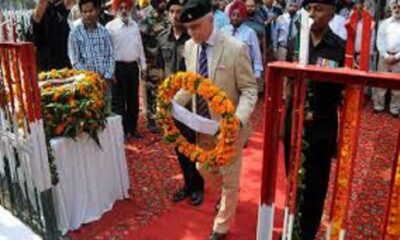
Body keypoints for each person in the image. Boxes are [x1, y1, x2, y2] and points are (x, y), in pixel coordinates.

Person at [176, 0, 258, 238]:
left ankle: (220, 226)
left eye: (196, 26)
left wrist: (237, 121)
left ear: (211, 20)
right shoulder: (191, 47)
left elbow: (249, 90)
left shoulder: (235, 48)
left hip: (228, 129)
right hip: (201, 125)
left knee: (230, 177)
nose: (191, 33)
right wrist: (169, 105)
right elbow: (191, 83)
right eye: (188, 27)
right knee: (203, 167)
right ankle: (225, 196)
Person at [299, 0, 345, 239]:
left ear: (331, 13)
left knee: (316, 186)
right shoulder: (298, 42)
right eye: (309, 9)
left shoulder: (339, 48)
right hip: (295, 124)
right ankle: (292, 227)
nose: (312, 14)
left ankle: (307, 233)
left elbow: (342, 93)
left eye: (318, 9)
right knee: (294, 181)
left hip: (322, 127)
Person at [157, 0, 205, 206]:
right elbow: (159, 70)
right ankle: (187, 185)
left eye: (179, 11)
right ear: (167, 14)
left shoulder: (193, 40)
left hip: (191, 103)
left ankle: (198, 187)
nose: (175, 15)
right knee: (179, 146)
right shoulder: (162, 39)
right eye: (172, 11)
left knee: (194, 146)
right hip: (171, 103)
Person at [106, 0, 146, 140]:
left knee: (133, 99)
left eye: (126, 7)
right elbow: (108, 51)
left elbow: (139, 47)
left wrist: (144, 66)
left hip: (133, 66)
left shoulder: (135, 25)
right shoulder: (110, 27)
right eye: (120, 7)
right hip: (118, 67)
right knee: (118, 101)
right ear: (116, 9)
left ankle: (132, 129)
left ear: (129, 8)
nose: (123, 10)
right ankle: (121, 131)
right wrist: (110, 71)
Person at [68, 0, 115, 113]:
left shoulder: (104, 32)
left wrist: (107, 76)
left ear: (97, 10)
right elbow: (75, 61)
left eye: (91, 11)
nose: (88, 14)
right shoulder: (75, 34)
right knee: (91, 118)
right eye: (84, 12)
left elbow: (110, 56)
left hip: (105, 83)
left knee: (107, 116)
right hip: (86, 85)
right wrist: (92, 78)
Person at [139, 0, 169, 134]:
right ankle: (152, 121)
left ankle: (165, 119)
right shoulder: (146, 18)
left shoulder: (168, 16)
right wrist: (143, 65)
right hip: (153, 63)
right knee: (152, 93)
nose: (165, 2)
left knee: (166, 92)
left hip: (167, 62)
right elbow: (140, 44)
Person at [222, 1, 263, 91]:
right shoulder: (223, 31)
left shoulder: (250, 32)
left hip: (244, 72)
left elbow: (256, 56)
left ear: (243, 17)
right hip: (226, 72)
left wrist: (257, 73)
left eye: (238, 15)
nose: (235, 18)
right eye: (233, 15)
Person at [373, 0, 400, 117]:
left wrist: (396, 56)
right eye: (395, 8)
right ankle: (378, 106)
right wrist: (385, 55)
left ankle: (394, 109)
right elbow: (379, 41)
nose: (397, 10)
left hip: (399, 59)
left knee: (397, 86)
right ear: (391, 8)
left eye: (399, 8)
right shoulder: (384, 23)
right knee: (381, 83)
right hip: (384, 57)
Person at [32, 0, 74, 71]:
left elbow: (69, 2)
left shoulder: (60, 9)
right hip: (46, 68)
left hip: (64, 66)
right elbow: (38, 15)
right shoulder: (39, 15)